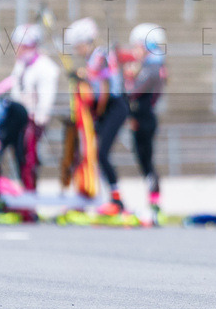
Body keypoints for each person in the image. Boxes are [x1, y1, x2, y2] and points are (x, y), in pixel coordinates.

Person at [0, 24, 60, 192]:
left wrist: (38, 120)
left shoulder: (46, 67)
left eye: (19, 45)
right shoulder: (23, 64)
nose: (16, 49)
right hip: (15, 118)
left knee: (27, 161)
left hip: (31, 121)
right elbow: (13, 85)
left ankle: (29, 201)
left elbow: (46, 99)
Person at [67, 17, 129, 215]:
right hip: (104, 108)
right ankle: (93, 194)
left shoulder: (100, 56)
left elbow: (103, 88)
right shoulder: (92, 58)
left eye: (79, 46)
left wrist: (96, 113)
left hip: (114, 107)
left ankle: (117, 201)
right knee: (90, 152)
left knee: (102, 153)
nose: (77, 51)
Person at [124, 23, 167, 222]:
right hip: (140, 117)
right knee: (144, 161)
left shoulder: (153, 66)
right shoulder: (151, 65)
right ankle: (153, 202)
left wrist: (128, 78)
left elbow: (134, 92)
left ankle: (154, 204)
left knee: (147, 161)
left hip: (145, 118)